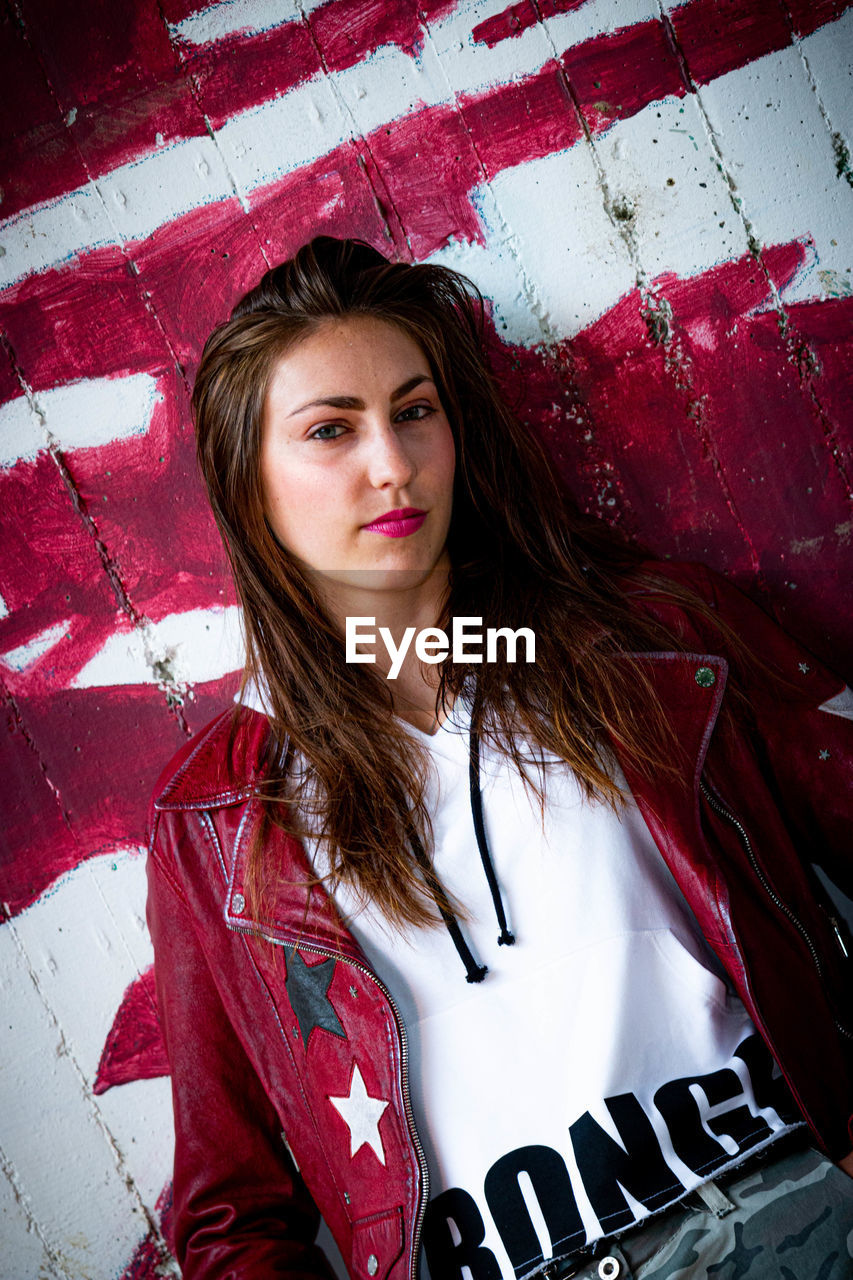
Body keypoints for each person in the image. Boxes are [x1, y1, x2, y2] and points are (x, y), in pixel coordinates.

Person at [146, 236, 853, 1280]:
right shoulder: (218, 817)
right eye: (331, 429)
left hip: (784, 1212)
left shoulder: (654, 639)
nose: (391, 461)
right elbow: (230, 1216)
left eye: (415, 409)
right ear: (249, 489)